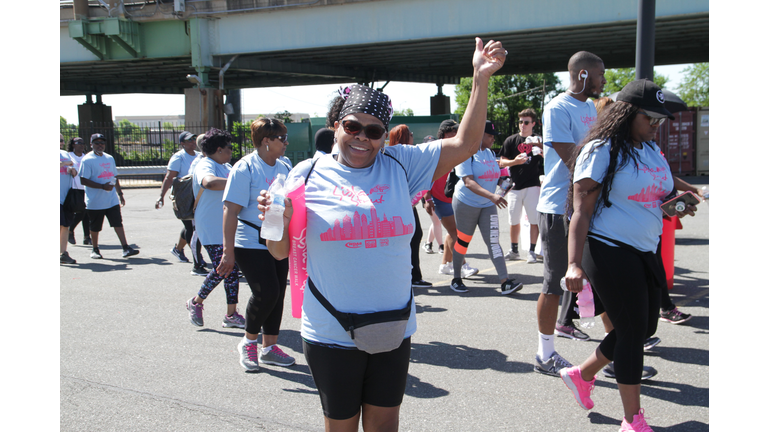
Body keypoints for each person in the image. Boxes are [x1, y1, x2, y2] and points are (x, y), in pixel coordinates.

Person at [257, 38, 506, 432]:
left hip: (394, 325)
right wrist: (275, 218)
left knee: (385, 423)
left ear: (384, 135)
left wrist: (479, 78)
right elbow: (279, 251)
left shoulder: (401, 164)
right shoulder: (305, 174)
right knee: (341, 425)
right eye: (352, 127)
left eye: (374, 131)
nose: (363, 138)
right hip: (330, 329)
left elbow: (466, 143)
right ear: (336, 125)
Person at [559, 78, 697, 432]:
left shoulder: (650, 150)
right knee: (633, 331)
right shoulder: (601, 149)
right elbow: (581, 212)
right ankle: (632, 420)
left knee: (644, 325)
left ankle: (582, 374)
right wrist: (574, 263)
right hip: (606, 247)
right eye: (651, 118)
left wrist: (675, 208)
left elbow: (653, 197)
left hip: (645, 248)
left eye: (661, 121)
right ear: (627, 113)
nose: (656, 126)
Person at [533, 51, 605, 376]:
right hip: (556, 208)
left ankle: (614, 352)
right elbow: (573, 159)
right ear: (584, 75)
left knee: (600, 275)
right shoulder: (558, 108)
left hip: (584, 205)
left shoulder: (589, 107)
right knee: (553, 283)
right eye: (600, 74)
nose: (604, 81)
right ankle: (544, 354)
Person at [217, 117, 295, 372]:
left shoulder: (285, 165)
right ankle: (249, 342)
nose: (285, 142)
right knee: (267, 292)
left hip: (278, 239)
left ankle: (270, 348)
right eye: (281, 138)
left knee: (278, 295)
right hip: (249, 242)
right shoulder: (245, 168)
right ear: (265, 141)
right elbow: (230, 210)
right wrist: (228, 252)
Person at [449, 120, 524, 295]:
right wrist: (492, 196)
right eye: (489, 135)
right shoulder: (467, 153)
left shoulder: (489, 153)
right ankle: (456, 278)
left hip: (488, 204)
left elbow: (491, 173)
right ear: (478, 135)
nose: (492, 139)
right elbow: (468, 182)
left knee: (493, 241)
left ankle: (505, 281)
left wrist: (502, 183)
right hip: (466, 203)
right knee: (463, 241)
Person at [184, 129, 246, 329]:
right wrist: (238, 183)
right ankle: (196, 301)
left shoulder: (225, 165)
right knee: (224, 269)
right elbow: (208, 182)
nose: (231, 152)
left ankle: (231, 314)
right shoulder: (205, 164)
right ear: (219, 149)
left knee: (231, 271)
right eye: (229, 148)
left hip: (227, 227)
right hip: (212, 228)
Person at [423, 119, 479, 279]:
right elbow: (426, 175)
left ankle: (445, 265)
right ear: (443, 134)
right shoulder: (435, 149)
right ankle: (463, 265)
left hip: (453, 197)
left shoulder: (458, 148)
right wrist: (427, 197)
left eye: (456, 132)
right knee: (457, 233)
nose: (455, 135)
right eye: (451, 133)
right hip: (439, 199)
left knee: (452, 233)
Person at [78, 133, 140, 259]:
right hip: (95, 201)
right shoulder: (87, 160)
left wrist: (120, 194)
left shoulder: (109, 158)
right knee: (95, 227)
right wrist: (102, 186)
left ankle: (125, 247)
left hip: (111, 199)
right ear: (91, 145)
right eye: (97, 143)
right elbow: (83, 180)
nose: (100, 145)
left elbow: (114, 177)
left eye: (102, 143)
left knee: (118, 223)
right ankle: (95, 249)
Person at [388, 124, 432, 289]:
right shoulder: (403, 156)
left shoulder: (393, 155)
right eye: (411, 134)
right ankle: (413, 276)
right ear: (404, 137)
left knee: (413, 237)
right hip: (402, 204)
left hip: (405, 204)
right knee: (412, 238)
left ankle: (413, 276)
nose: (413, 136)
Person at [498, 108, 544, 264]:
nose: (522, 125)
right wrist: (514, 162)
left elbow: (549, 157)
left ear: (533, 124)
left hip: (533, 185)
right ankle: (514, 250)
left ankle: (531, 251)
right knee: (513, 220)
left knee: (533, 220)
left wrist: (542, 148)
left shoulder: (538, 140)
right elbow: (501, 161)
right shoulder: (511, 140)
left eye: (526, 122)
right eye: (520, 122)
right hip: (515, 186)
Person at [156, 131, 202, 270]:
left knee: (190, 225)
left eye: (194, 139)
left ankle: (178, 249)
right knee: (190, 227)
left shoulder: (199, 156)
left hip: (194, 195)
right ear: (182, 143)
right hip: (183, 196)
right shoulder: (179, 157)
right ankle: (198, 258)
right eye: (189, 140)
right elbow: (169, 177)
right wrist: (161, 196)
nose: (193, 142)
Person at [67, 137, 91, 246]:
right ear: (73, 145)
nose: (81, 145)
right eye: (78, 143)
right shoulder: (69, 156)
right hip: (74, 187)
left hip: (85, 187)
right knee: (81, 211)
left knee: (87, 214)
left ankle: (87, 236)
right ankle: (70, 230)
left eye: (83, 143)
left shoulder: (86, 157)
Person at [60, 133, 78, 264]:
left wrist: (72, 170)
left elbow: (75, 170)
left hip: (66, 197)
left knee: (65, 225)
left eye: (61, 140)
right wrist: (64, 163)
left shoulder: (66, 154)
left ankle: (63, 253)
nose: (60, 142)